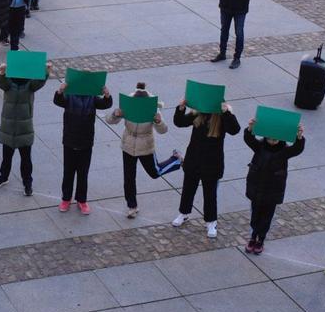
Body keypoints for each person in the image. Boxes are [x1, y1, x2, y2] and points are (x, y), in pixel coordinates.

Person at [105, 83, 181, 218]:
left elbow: (163, 130)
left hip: (145, 146)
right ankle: (132, 206)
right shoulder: (129, 104)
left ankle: (175, 160)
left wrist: (158, 122)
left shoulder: (153, 108)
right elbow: (110, 120)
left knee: (155, 172)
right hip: (128, 145)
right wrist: (116, 114)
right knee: (128, 178)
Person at [172, 99, 239, 238]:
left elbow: (234, 130)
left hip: (212, 164)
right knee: (188, 189)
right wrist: (181, 108)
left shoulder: (222, 118)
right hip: (194, 160)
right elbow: (179, 122)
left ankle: (211, 221)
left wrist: (226, 112)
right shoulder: (198, 114)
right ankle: (184, 213)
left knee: (210, 194)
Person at [243, 119, 305, 253]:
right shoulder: (259, 146)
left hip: (272, 190)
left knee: (267, 216)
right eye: (270, 138)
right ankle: (253, 235)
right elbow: (249, 139)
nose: (272, 141)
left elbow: (297, 149)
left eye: (275, 139)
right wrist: (250, 128)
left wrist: (299, 137)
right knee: (255, 214)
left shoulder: (284, 151)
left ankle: (261, 239)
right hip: (257, 187)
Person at [0, 60, 51, 194]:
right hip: (8, 128)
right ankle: (3, 177)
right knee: (6, 157)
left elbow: (40, 82)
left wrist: (45, 72)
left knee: (26, 160)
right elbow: (1, 83)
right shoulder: (9, 84)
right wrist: (2, 73)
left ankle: (27, 183)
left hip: (24, 129)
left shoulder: (30, 85)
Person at [52, 81, 111, 213]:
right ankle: (66, 198)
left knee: (83, 174)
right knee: (68, 172)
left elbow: (106, 104)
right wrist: (60, 91)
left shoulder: (93, 98)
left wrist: (107, 95)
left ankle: (81, 200)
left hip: (86, 141)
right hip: (69, 141)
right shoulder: (70, 96)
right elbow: (58, 101)